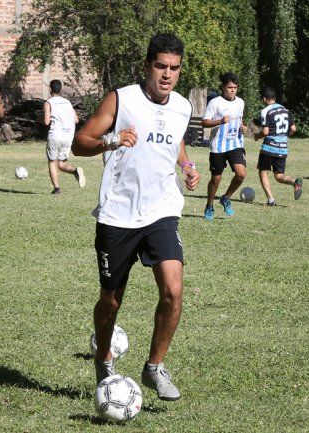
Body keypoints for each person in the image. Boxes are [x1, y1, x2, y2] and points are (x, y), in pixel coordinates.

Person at [73, 33, 200, 402]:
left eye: (174, 68)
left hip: (162, 210)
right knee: (111, 300)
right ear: (148, 66)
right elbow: (80, 143)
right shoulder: (121, 99)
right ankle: (103, 358)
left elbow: (175, 140)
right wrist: (111, 141)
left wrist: (188, 165)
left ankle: (154, 367)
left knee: (174, 291)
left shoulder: (181, 106)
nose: (167, 74)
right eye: (161, 66)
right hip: (118, 214)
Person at [201, 72, 248, 220]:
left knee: (241, 174)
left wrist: (243, 127)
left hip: (235, 143)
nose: (232, 90)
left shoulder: (240, 102)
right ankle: (209, 205)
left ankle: (226, 198)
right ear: (223, 87)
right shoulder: (215, 103)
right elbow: (205, 122)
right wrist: (220, 121)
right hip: (218, 146)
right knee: (216, 179)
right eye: (229, 87)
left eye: (235, 87)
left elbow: (240, 119)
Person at [254, 86, 302, 205]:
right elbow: (293, 129)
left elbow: (265, 132)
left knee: (263, 171)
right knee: (279, 175)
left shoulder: (265, 111)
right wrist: (284, 137)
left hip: (269, 147)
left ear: (264, 99)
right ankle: (295, 181)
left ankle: (271, 200)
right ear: (275, 98)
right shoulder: (286, 110)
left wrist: (257, 136)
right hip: (283, 147)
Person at [43, 79, 85, 194]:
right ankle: (75, 171)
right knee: (61, 164)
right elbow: (76, 120)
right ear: (61, 89)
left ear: (50, 89)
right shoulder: (67, 102)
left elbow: (46, 122)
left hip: (55, 135)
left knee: (52, 162)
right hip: (68, 136)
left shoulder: (49, 102)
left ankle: (57, 189)